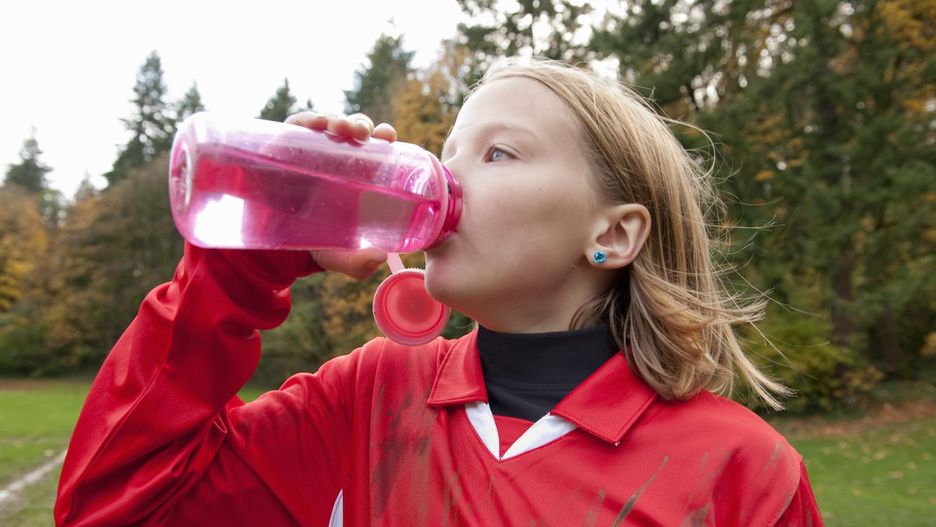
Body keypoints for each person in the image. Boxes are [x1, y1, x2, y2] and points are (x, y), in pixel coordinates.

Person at [55, 57, 823, 526]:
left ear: (613, 235)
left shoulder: (743, 471)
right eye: (448, 151)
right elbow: (117, 508)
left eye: (498, 152)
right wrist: (242, 269)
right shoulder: (368, 397)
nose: (447, 178)